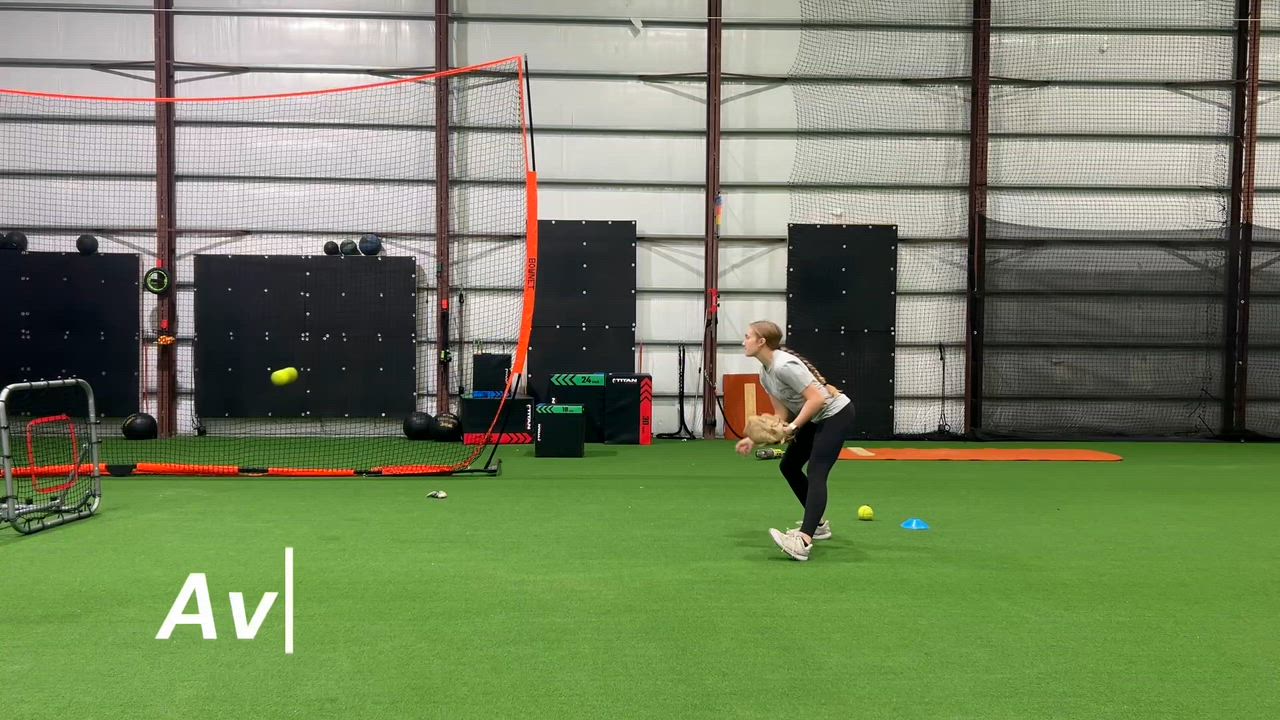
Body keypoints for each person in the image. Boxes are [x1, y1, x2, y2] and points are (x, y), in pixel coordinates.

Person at [736, 320, 855, 561]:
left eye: (748, 337)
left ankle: (803, 541)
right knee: (789, 466)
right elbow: (781, 413)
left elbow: (817, 399)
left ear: (761, 342)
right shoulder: (765, 373)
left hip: (835, 414)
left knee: (816, 471)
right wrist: (753, 438)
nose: (743, 342)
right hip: (814, 417)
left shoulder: (784, 366)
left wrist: (793, 427)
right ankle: (817, 525)